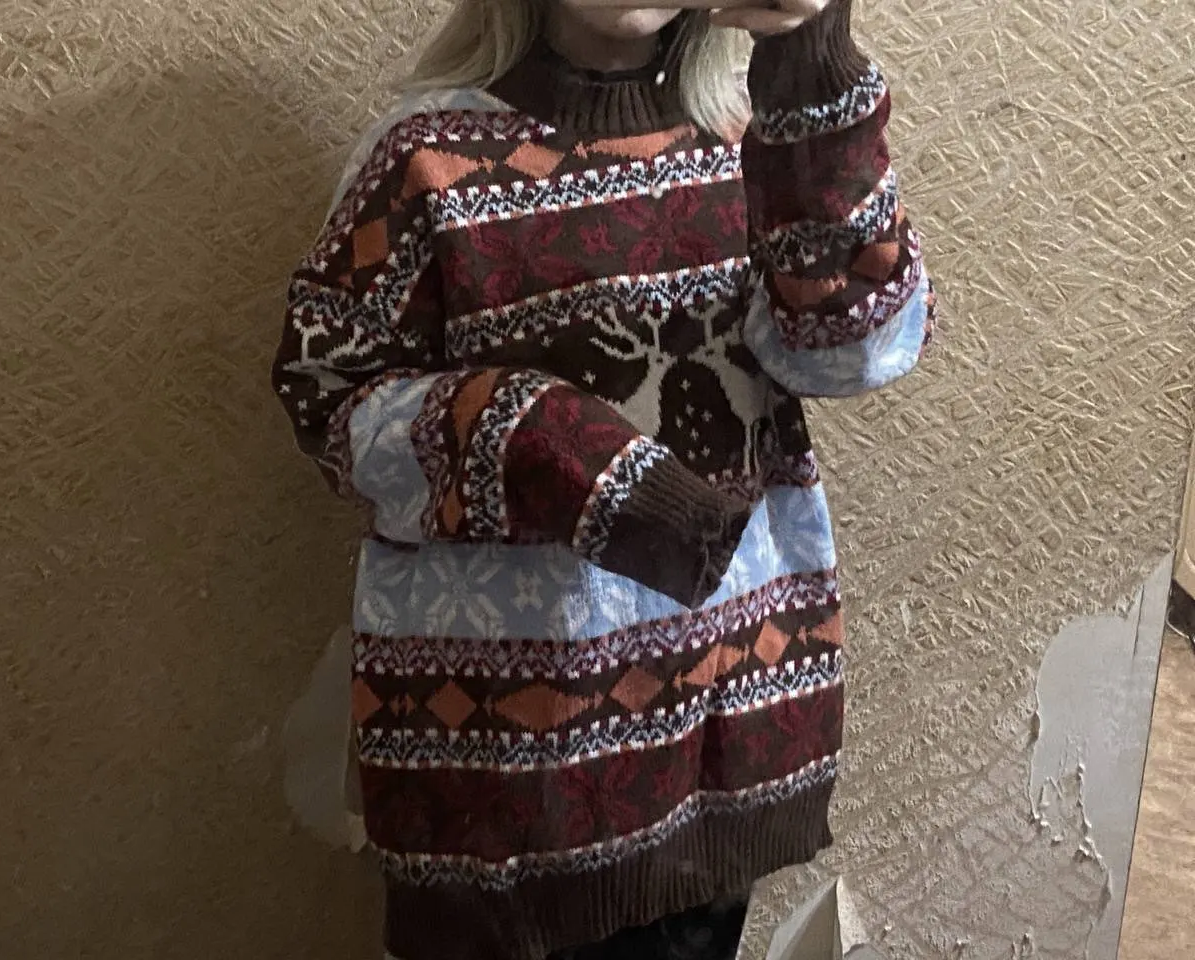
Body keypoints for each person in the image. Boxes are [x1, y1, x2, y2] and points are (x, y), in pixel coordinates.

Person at [271, 1, 935, 958]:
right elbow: (327, 395)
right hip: (511, 775)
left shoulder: (755, 144)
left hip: (724, 736)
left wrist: (809, 56)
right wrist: (530, 433)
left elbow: (858, 349)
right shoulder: (425, 157)